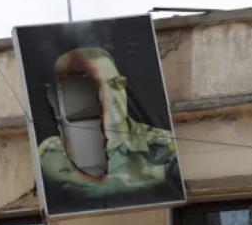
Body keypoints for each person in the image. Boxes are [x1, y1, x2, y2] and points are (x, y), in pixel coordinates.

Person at [38, 47, 178, 198]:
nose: (109, 96)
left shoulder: (165, 146)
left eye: (115, 83)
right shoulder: (52, 153)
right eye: (94, 88)